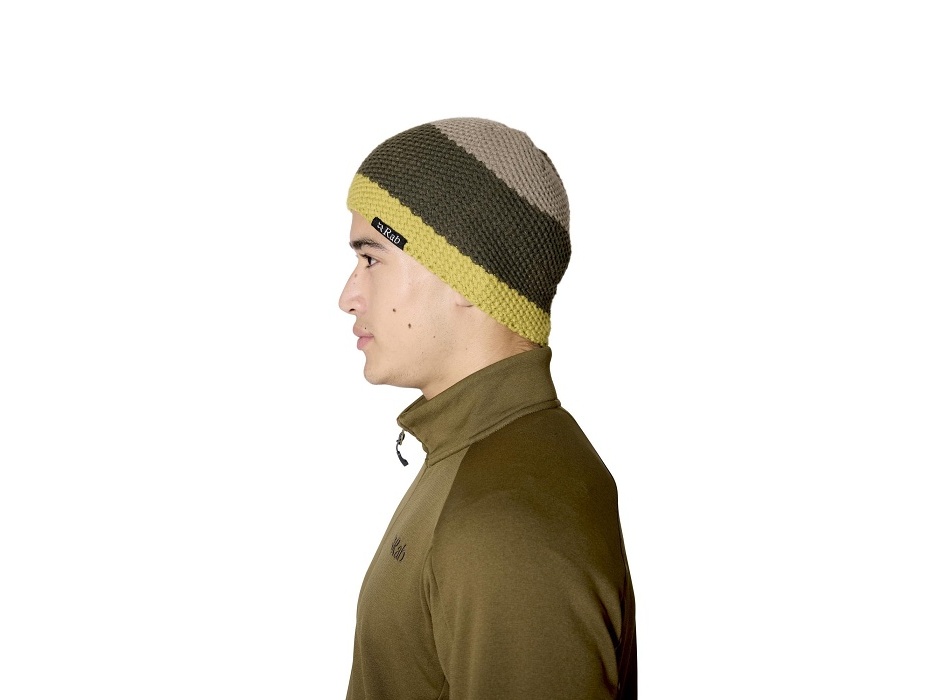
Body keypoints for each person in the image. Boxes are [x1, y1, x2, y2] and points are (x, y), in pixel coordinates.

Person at [338, 117, 637, 699]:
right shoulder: (476, 457)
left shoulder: (507, 525)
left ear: (465, 274)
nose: (348, 296)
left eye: (371, 258)